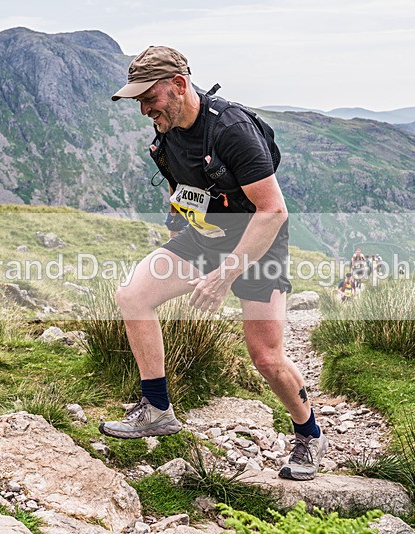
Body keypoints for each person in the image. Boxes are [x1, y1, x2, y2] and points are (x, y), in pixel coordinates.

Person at [104, 46, 327, 480]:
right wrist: (178, 252)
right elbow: (181, 196)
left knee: (266, 357)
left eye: (149, 97)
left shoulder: (231, 130)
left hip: (259, 242)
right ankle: (157, 408)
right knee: (132, 296)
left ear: (180, 85)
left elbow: (273, 211)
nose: (145, 109)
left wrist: (225, 274)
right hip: (205, 236)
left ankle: (309, 434)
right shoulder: (164, 137)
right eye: (138, 101)